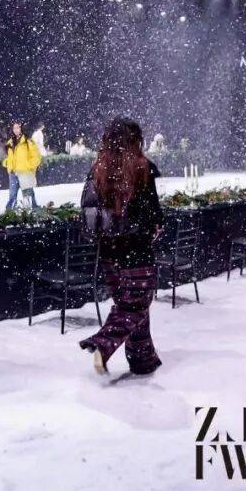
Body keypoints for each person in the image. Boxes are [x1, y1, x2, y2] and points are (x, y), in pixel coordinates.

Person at [78, 118, 164, 376]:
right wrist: (156, 226)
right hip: (136, 250)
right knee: (135, 305)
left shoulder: (98, 169)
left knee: (131, 307)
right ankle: (103, 344)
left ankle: (143, 361)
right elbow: (152, 212)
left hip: (108, 251)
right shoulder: (142, 168)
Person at [3, 121, 41, 210]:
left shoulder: (28, 141)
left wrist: (29, 166)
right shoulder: (10, 142)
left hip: (24, 171)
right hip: (13, 172)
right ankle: (10, 212)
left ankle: (32, 210)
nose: (16, 130)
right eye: (14, 128)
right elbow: (10, 156)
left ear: (22, 129)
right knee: (12, 195)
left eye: (18, 128)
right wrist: (7, 163)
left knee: (28, 194)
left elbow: (36, 156)